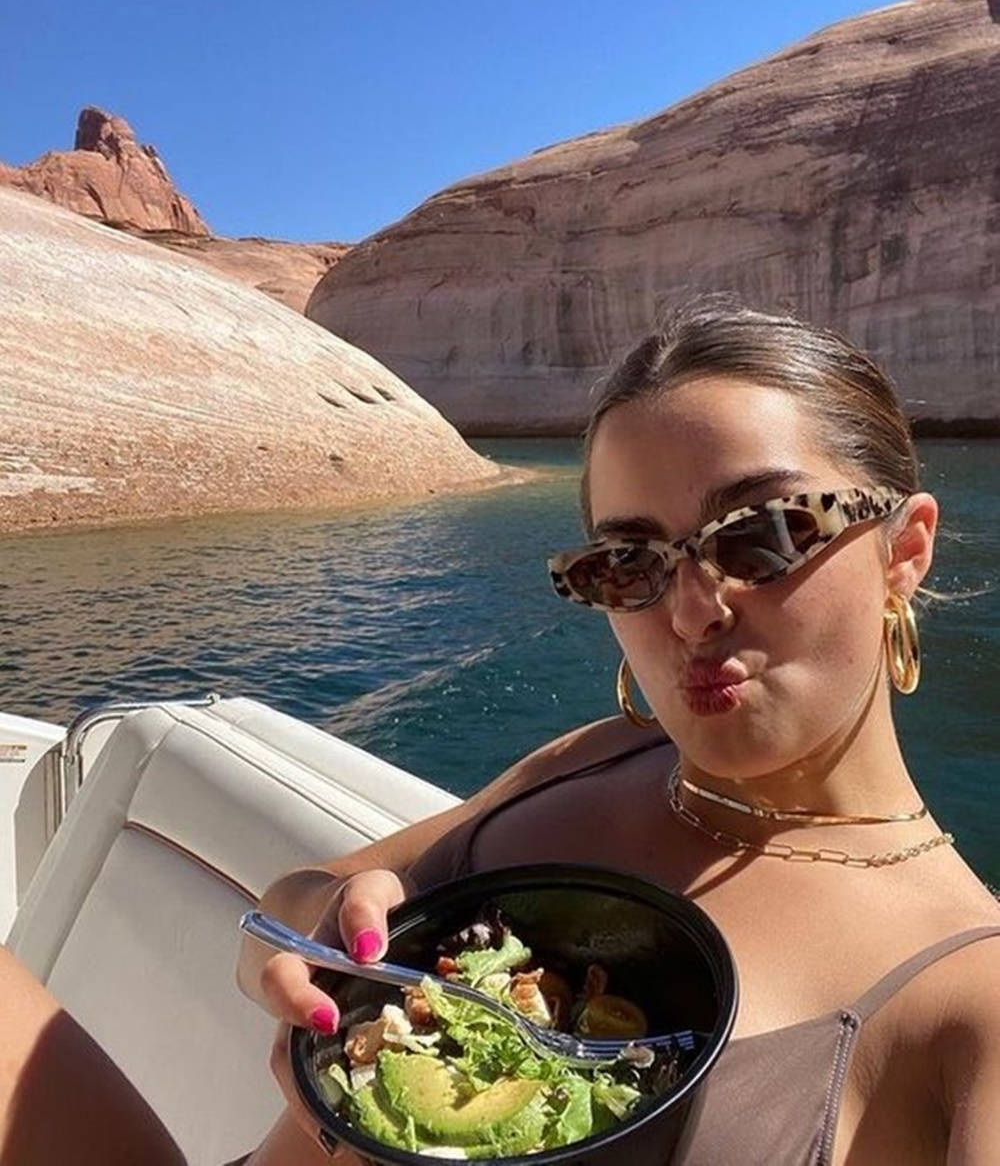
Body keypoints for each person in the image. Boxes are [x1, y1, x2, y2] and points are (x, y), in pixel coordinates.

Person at [2, 298, 997, 1166]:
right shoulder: (592, 757)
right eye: (629, 561)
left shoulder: (967, 990)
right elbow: (301, 898)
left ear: (903, 548)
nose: (691, 608)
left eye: (763, 533)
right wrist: (313, 929)